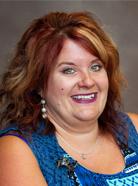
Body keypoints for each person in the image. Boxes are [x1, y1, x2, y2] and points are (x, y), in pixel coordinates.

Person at [0, 11, 138, 186]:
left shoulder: (134, 128)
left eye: (95, 67)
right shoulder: (16, 151)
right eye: (69, 70)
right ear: (38, 84)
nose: (88, 81)